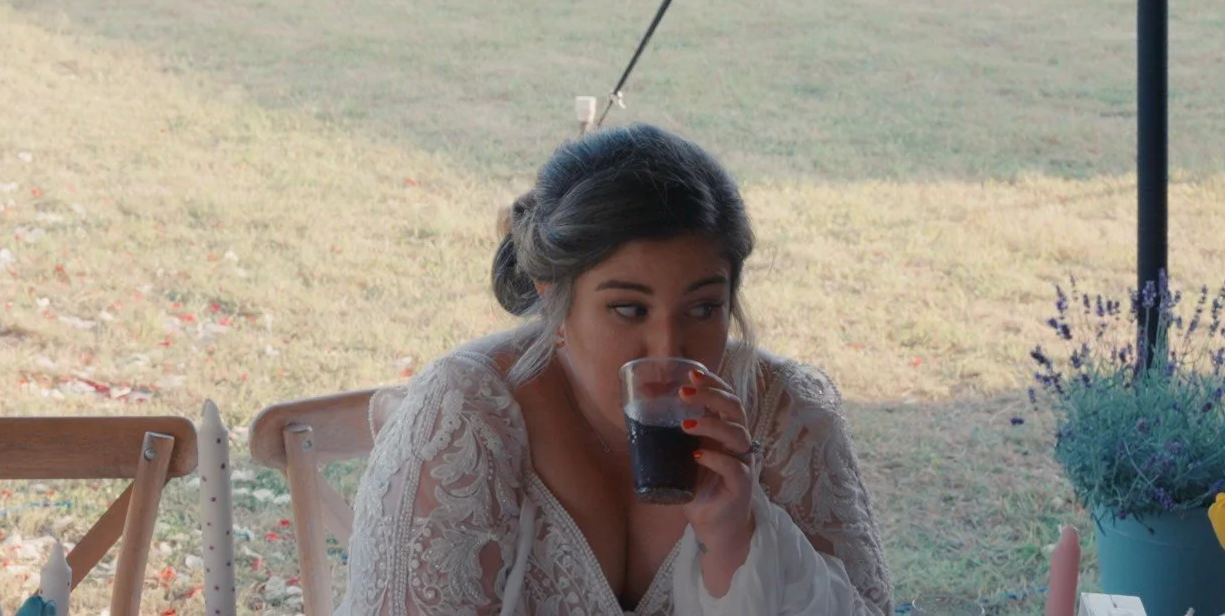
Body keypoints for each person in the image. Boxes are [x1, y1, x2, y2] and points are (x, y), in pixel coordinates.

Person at [339, 125, 888, 615]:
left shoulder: (788, 416)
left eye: (702, 308)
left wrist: (734, 542)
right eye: (629, 309)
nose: (669, 349)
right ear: (552, 295)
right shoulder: (467, 415)